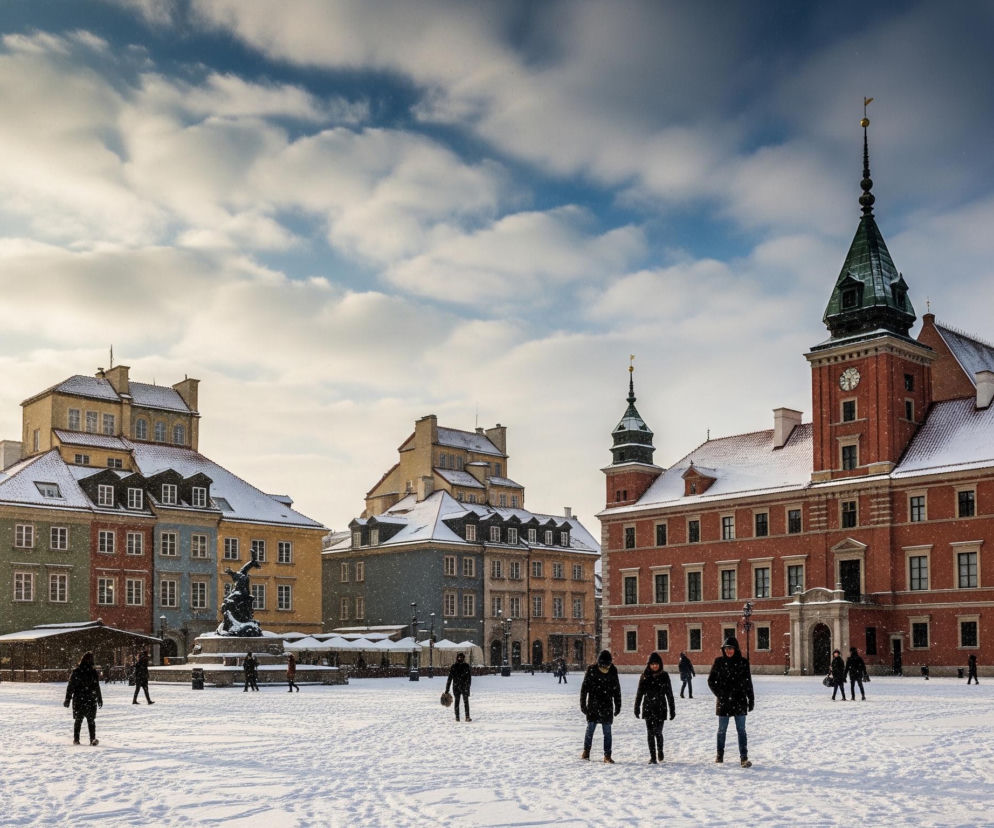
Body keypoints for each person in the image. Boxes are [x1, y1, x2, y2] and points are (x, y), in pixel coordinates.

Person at [707, 636, 754, 767]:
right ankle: (719, 755)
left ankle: (744, 758)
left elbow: (748, 682)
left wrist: (751, 699)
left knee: (741, 730)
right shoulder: (718, 662)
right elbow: (711, 681)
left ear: (735, 649)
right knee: (722, 730)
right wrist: (720, 694)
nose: (729, 651)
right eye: (727, 649)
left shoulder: (743, 663)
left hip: (739, 700)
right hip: (724, 702)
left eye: (731, 649)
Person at [580, 650, 622, 763]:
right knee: (590, 730)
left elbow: (616, 690)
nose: (605, 667)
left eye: (607, 665)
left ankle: (607, 755)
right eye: (603, 665)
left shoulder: (613, 671)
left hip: (607, 705)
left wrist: (618, 705)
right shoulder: (591, 670)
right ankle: (586, 751)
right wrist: (583, 705)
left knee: (607, 732)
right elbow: (584, 689)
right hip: (593, 705)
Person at [633, 652, 676, 764]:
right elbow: (639, 693)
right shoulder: (644, 676)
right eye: (652, 664)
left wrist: (672, 709)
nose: (654, 666)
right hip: (648, 707)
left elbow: (669, 694)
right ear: (649, 665)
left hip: (661, 707)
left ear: (660, 664)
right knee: (650, 733)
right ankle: (653, 757)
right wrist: (636, 707)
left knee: (658, 732)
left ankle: (660, 751)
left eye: (656, 664)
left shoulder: (664, 676)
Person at [64, 651, 103, 745]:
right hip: (89, 699)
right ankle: (92, 739)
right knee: (90, 721)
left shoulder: (77, 671)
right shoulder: (92, 672)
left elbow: (71, 686)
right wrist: (99, 698)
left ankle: (76, 739)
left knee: (78, 720)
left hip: (79, 699)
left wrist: (68, 699)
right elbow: (96, 686)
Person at [445, 652, 472, 721]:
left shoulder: (466, 666)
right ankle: (457, 717)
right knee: (457, 701)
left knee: (466, 702)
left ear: (463, 658)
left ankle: (467, 717)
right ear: (457, 658)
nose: (460, 658)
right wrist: (447, 690)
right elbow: (449, 679)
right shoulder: (454, 666)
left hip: (464, 687)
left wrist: (468, 687)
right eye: (459, 657)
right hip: (456, 687)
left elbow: (469, 678)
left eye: (462, 657)